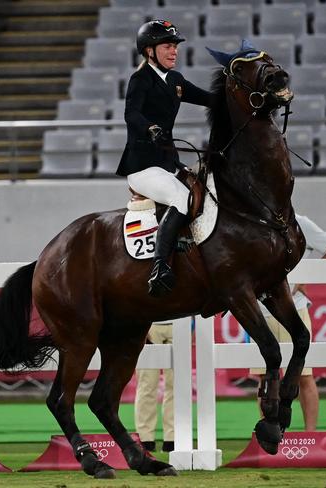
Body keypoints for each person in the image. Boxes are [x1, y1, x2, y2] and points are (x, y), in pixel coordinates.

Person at [116, 20, 215, 297]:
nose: (174, 52)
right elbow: (131, 114)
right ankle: (160, 266)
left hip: (166, 163)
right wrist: (151, 128)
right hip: (142, 166)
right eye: (168, 46)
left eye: (175, 47)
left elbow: (209, 99)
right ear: (150, 51)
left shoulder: (175, 80)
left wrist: (240, 97)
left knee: (202, 190)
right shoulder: (141, 79)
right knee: (181, 197)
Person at [252, 214, 326, 431]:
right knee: (266, 378)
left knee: (303, 376)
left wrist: (306, 279)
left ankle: (310, 436)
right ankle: (270, 433)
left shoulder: (300, 222)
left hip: (294, 308)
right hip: (258, 310)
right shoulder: (253, 221)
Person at [134, 321, 175, 453]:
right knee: (147, 384)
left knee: (178, 385)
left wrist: (191, 324)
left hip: (180, 325)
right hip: (150, 324)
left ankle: (173, 438)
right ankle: (145, 439)